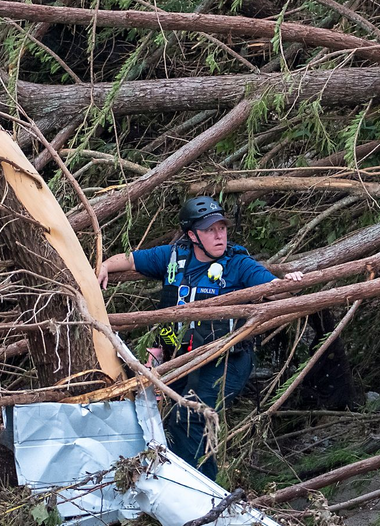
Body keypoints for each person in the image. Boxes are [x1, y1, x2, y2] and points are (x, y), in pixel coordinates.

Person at [98, 196, 303, 479]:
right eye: (210, 230)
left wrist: (289, 285)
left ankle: (204, 489)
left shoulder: (238, 264)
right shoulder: (173, 257)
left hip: (226, 358)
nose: (219, 235)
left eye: (222, 227)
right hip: (180, 355)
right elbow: (130, 259)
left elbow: (272, 289)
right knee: (169, 416)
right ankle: (179, 480)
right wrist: (106, 266)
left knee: (192, 417)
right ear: (192, 235)